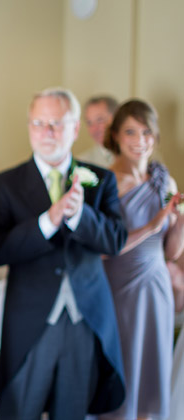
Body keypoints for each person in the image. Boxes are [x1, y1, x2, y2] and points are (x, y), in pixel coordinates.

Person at [0, 87, 128, 420]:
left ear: (75, 129)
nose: (47, 132)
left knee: (73, 410)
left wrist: (79, 216)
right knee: (20, 408)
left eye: (57, 124)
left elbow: (115, 241)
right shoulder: (4, 184)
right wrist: (47, 221)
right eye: (39, 123)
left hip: (86, 315)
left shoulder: (101, 180)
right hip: (29, 316)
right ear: (30, 127)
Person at [100, 99, 184, 420]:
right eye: (131, 132)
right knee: (125, 362)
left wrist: (178, 222)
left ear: (156, 136)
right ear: (116, 137)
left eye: (147, 132)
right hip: (119, 285)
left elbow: (171, 251)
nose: (140, 141)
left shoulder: (166, 183)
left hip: (156, 284)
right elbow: (103, 247)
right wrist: (151, 227)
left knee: (152, 365)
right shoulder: (108, 183)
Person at [78, 95, 117, 168]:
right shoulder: (83, 163)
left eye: (100, 120)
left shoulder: (134, 154)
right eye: (89, 123)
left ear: (116, 118)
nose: (94, 129)